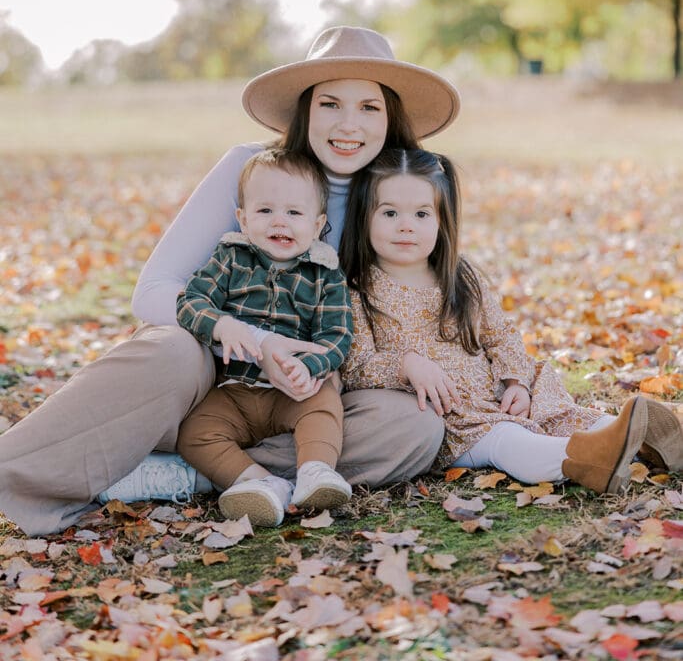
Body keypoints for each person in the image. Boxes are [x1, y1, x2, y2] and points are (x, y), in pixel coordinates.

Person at [0, 26, 462, 535]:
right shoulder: (251, 168)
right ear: (305, 110)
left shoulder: (398, 199)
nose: (349, 123)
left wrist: (509, 382)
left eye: (369, 108)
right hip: (206, 371)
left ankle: (189, 475)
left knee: (415, 426)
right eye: (331, 104)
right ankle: (17, 471)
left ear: (390, 118)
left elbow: (431, 305)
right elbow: (152, 292)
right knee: (169, 350)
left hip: (304, 394)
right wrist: (251, 340)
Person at [339, 148, 683, 493]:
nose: (405, 225)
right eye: (389, 213)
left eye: (421, 214)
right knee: (509, 442)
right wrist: (405, 364)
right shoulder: (357, 290)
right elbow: (356, 366)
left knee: (561, 414)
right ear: (364, 217)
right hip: (453, 415)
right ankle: (586, 459)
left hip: (498, 391)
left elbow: (501, 335)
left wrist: (516, 381)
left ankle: (636, 438)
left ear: (442, 221)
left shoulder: (460, 276)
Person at [173, 147, 353, 527]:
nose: (280, 223)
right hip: (233, 390)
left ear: (318, 224)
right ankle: (260, 484)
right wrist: (223, 325)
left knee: (323, 406)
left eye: (294, 213)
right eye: (265, 210)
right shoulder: (230, 258)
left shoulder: (325, 275)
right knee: (194, 434)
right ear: (242, 218)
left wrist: (311, 366)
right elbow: (190, 302)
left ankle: (315, 472)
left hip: (292, 390)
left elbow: (337, 336)